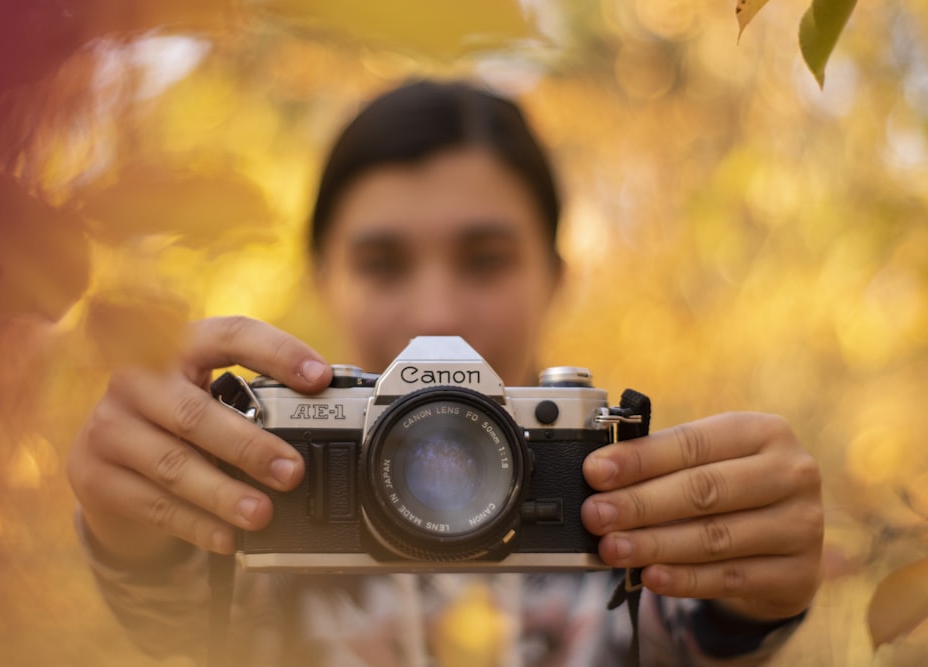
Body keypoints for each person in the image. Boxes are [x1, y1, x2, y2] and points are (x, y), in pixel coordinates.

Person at [67, 79, 823, 666]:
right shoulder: (265, 470)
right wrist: (139, 518)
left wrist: (754, 586)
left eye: (485, 259)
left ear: (555, 275)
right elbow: (178, 616)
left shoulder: (620, 487)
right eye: (383, 263)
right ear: (325, 277)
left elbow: (688, 642)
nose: (436, 311)